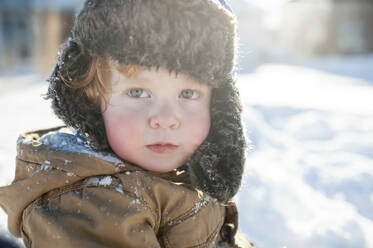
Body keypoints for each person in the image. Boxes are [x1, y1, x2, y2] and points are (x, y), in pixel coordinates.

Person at [0, 0, 249, 247]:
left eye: (188, 94)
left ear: (218, 105)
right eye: (138, 92)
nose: (165, 119)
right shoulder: (92, 204)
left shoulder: (190, 175)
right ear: (90, 98)